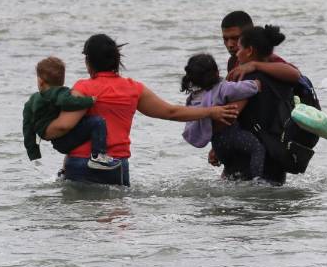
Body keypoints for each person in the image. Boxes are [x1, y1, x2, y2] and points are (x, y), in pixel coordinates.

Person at [44, 34, 238, 186]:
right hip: (116, 166)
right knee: (114, 220)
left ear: (88, 62)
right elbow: (171, 112)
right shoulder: (133, 89)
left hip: (80, 163)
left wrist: (40, 131)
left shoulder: (83, 88)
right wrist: (211, 112)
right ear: (116, 60)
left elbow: (63, 126)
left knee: (81, 219)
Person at [210, 10, 302, 168]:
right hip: (245, 138)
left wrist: (255, 65)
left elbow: (295, 74)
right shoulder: (234, 61)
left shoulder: (266, 60)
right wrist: (218, 145)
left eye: (235, 38)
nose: (230, 44)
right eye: (225, 39)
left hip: (267, 141)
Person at [23, 56, 120, 170]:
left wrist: (33, 153)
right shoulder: (60, 93)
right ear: (62, 80)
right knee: (97, 122)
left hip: (55, 141)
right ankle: (98, 157)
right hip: (64, 139)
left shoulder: (31, 101)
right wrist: (89, 100)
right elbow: (69, 102)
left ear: (40, 81)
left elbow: (27, 128)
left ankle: (64, 171)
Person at [180, 55, 266, 180]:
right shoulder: (222, 88)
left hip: (217, 146)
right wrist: (256, 84)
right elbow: (242, 89)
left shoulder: (193, 98)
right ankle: (257, 180)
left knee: (231, 173)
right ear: (217, 73)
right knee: (257, 148)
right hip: (233, 136)